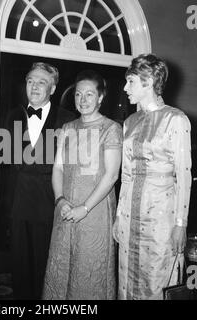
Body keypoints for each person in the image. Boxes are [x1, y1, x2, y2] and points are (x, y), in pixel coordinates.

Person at [0, 62, 75, 300]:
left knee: (47, 267)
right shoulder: (13, 115)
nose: (34, 86)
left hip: (50, 204)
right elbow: (4, 155)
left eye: (41, 82)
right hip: (18, 202)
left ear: (53, 88)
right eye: (30, 81)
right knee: (19, 267)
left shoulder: (67, 119)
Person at [113, 54, 192, 300]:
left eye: (131, 81)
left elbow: (184, 176)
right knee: (127, 280)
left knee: (157, 280)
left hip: (161, 219)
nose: (125, 88)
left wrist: (181, 224)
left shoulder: (176, 119)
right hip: (129, 217)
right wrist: (118, 217)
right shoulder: (129, 122)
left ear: (148, 82)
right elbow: (125, 176)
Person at [42, 70, 122, 300]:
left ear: (101, 97)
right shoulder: (68, 128)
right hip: (65, 209)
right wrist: (60, 200)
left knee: (88, 272)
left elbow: (112, 175)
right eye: (78, 95)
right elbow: (57, 168)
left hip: (94, 213)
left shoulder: (111, 129)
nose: (83, 100)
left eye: (89, 94)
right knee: (62, 267)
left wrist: (84, 208)